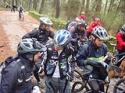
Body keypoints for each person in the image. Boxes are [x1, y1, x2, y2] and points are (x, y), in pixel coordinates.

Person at [76, 26, 109, 92]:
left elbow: (106, 62)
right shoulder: (86, 47)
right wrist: (88, 62)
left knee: (102, 90)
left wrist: (109, 59)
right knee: (96, 89)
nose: (101, 43)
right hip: (89, 73)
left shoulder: (104, 47)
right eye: (99, 40)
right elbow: (79, 61)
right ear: (93, 38)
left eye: (103, 41)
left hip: (99, 73)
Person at [22, 16, 54, 84]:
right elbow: (24, 37)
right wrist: (34, 44)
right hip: (38, 52)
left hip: (46, 51)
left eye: (49, 26)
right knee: (35, 69)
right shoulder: (36, 31)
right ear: (43, 25)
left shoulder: (48, 31)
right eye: (48, 26)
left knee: (49, 62)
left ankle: (44, 72)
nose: (49, 27)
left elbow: (55, 36)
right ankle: (38, 81)